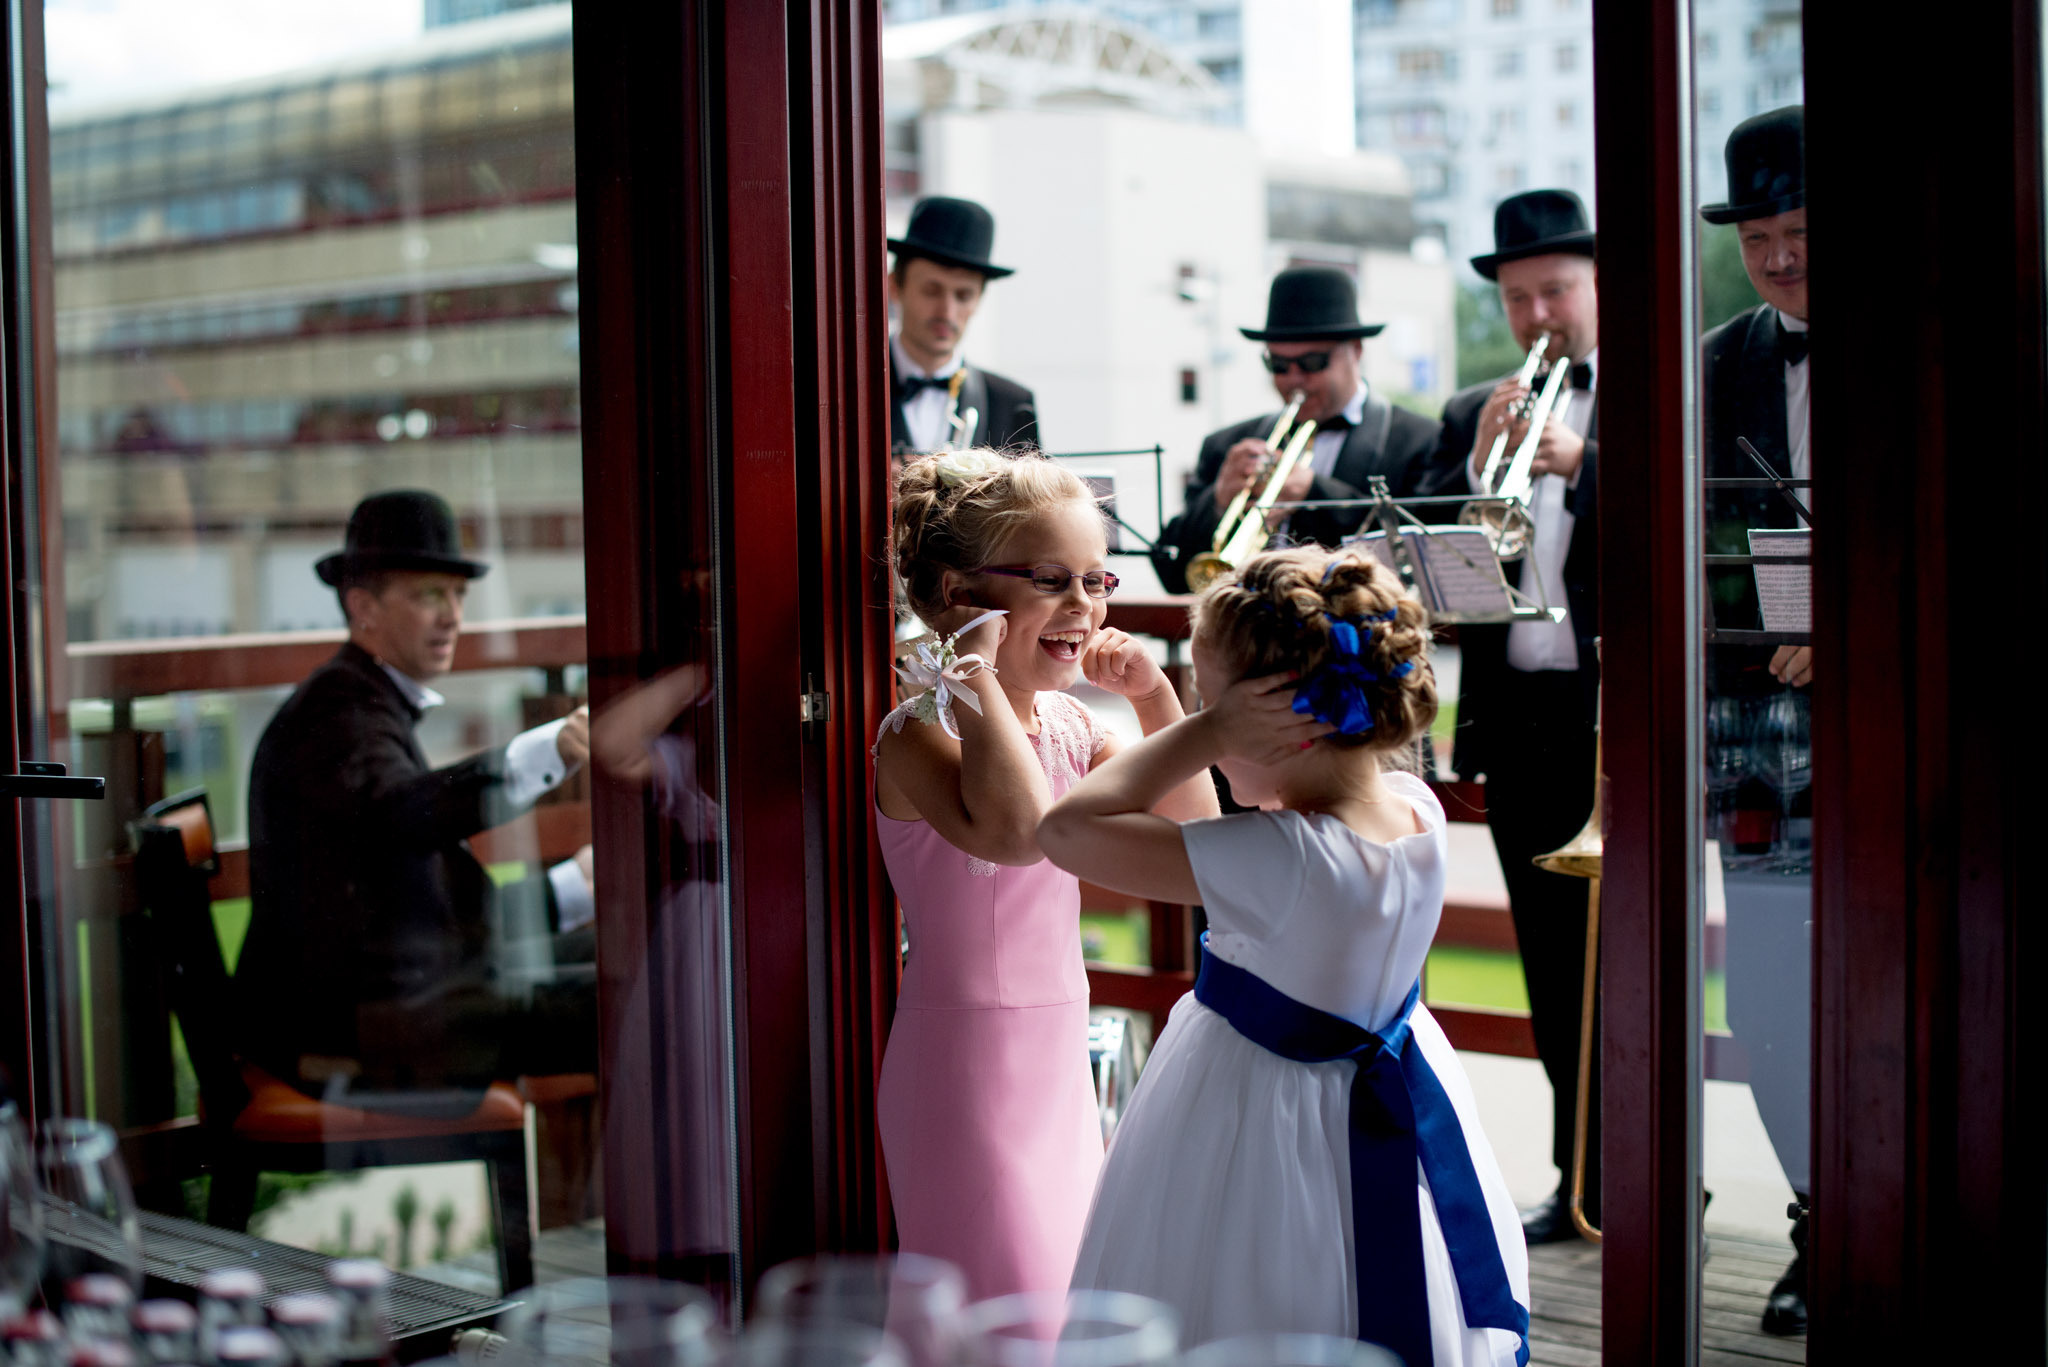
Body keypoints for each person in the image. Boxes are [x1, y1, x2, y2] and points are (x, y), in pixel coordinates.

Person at [1045, 547, 1528, 1364]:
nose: (1206, 722)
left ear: (1278, 719)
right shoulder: (1412, 810)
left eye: (1214, 704)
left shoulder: (1285, 859)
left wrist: (1208, 728)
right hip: (1394, 1099)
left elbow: (1064, 829)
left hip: (1259, 1123)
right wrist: (1180, 704)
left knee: (1242, 1298)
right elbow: (1225, 810)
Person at [873, 449, 1217, 1301]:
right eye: (1052, 579)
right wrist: (973, 669)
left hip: (1058, 1059)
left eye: (1097, 581)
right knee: (1004, 1309)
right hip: (964, 1068)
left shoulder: (1070, 722)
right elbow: (1022, 832)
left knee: (1066, 1297)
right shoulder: (913, 730)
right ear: (959, 592)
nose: (1085, 606)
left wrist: (1152, 700)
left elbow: (1198, 830)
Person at [236, 490, 597, 1107]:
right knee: (647, 987)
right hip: (361, 1033)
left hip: (405, 1001)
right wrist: (550, 749)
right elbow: (404, 814)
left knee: (626, 950)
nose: (452, 615)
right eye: (429, 594)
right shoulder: (337, 716)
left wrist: (573, 887)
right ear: (362, 607)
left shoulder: (362, 705)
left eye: (458, 595)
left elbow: (432, 910)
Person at [1413, 187, 1604, 1244]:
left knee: (1630, 960)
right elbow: (1431, 566)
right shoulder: (1468, 411)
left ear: (1595, 287)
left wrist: (1582, 466)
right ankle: (1579, 1171)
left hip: (1616, 719)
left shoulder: (1655, 393)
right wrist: (1466, 462)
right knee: (1545, 957)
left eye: (1553, 291)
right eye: (1517, 298)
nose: (1535, 315)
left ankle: (1658, 1175)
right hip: (1520, 719)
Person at [1700, 103, 1812, 1336]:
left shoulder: (1937, 347)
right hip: (1748, 727)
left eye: (1801, 229)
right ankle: (1811, 1220)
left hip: (1900, 723)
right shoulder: (1708, 361)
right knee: (1768, 995)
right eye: (1760, 235)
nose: (1779, 256)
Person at [1152, 266, 1441, 594]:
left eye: (1312, 363)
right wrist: (1218, 500)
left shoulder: (1418, 440)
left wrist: (1314, 492)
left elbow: (1421, 561)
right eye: (1278, 365)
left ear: (1356, 350)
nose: (1293, 379)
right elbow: (1172, 574)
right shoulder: (1225, 444)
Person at [888, 197, 1039, 457]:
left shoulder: (1013, 403)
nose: (947, 312)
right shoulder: (845, 391)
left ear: (979, 300)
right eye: (931, 291)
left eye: (963, 295)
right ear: (894, 286)